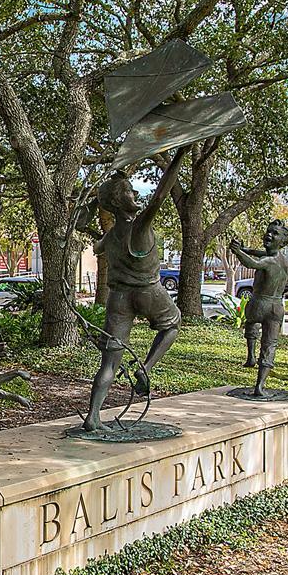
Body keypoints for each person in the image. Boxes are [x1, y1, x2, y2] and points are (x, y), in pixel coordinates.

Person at [76, 157, 186, 432]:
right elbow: (161, 193)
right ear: (116, 201)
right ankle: (145, 368)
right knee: (173, 324)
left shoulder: (112, 235)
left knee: (110, 361)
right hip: (148, 292)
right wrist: (180, 155)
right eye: (129, 190)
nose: (135, 193)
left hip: (118, 299)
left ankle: (94, 415)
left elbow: (94, 243)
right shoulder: (140, 226)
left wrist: (91, 206)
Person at [229, 220, 288, 396]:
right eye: (268, 231)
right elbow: (258, 253)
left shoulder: (268, 261)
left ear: (283, 241)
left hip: (260, 303)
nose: (269, 235)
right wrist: (245, 249)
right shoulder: (283, 260)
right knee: (270, 344)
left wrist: (237, 251)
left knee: (252, 324)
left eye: (274, 233)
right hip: (277, 306)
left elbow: (251, 263)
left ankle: (251, 358)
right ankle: (259, 382)